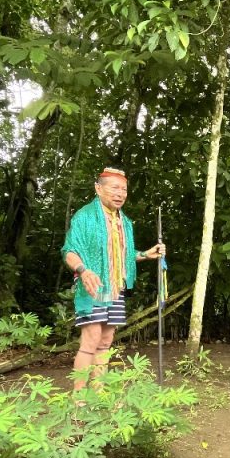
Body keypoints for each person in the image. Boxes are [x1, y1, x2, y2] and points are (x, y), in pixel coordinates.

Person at [61, 167, 165, 392]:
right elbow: (69, 250)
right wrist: (83, 270)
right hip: (94, 285)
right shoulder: (85, 216)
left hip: (117, 286)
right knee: (91, 338)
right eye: (114, 188)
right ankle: (78, 397)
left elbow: (125, 257)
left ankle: (98, 392)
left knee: (106, 340)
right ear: (98, 188)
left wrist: (146, 254)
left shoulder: (124, 221)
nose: (120, 194)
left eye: (124, 190)